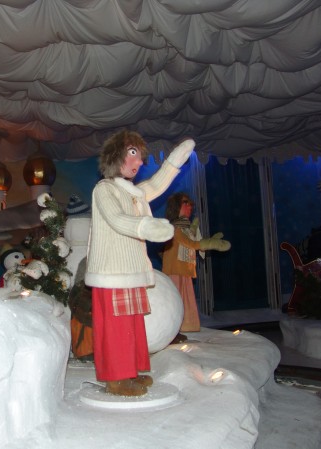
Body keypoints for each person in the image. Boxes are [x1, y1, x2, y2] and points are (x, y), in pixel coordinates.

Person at [85, 130, 195, 397]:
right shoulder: (104, 189)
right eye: (133, 154)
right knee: (116, 327)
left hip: (130, 271)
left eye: (140, 156)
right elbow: (117, 219)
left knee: (132, 325)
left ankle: (130, 372)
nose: (139, 162)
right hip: (112, 272)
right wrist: (148, 226)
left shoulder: (132, 192)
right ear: (116, 156)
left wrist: (174, 162)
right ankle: (116, 378)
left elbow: (155, 185)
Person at [161, 192, 230, 342]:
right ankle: (171, 331)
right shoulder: (175, 228)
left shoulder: (186, 228)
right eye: (185, 203)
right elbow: (190, 243)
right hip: (174, 270)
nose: (189, 206)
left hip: (184, 269)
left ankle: (185, 328)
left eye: (190, 203)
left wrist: (207, 240)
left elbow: (192, 240)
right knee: (175, 302)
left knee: (185, 300)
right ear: (176, 207)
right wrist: (210, 243)